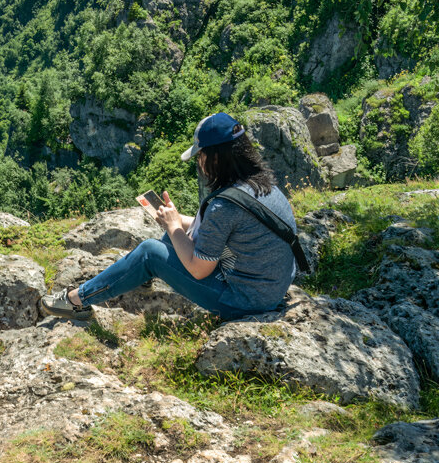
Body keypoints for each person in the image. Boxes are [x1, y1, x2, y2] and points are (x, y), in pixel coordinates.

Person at [41, 112, 297, 321]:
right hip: (270, 286)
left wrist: (175, 228)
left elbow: (198, 270)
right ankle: (138, 275)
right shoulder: (264, 186)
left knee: (150, 251)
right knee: (169, 235)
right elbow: (223, 229)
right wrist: (173, 220)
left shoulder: (225, 206)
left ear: (215, 158)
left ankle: (76, 301)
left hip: (245, 301)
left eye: (201, 155)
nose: (199, 163)